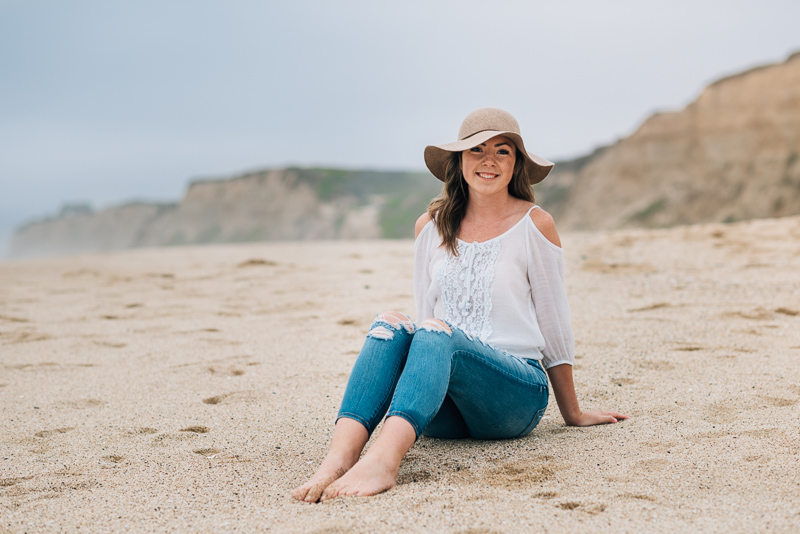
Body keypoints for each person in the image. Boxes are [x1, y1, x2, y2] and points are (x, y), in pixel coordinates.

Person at [292, 108, 629, 503]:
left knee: (437, 332)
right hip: (446, 409)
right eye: (476, 149)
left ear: (516, 164)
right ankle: (339, 459)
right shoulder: (430, 226)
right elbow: (424, 314)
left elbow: (553, 322)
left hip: (513, 397)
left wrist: (573, 413)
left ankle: (383, 461)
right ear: (460, 160)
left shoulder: (535, 225)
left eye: (502, 151)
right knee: (391, 324)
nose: (489, 160)